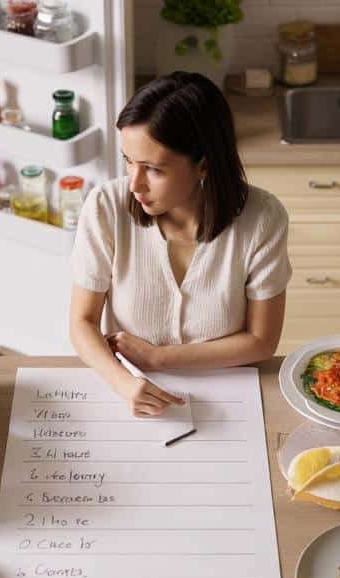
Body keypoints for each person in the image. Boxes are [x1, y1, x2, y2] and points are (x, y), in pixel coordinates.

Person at [69, 72, 291, 416]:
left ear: (203, 165)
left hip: (229, 398)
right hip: (129, 391)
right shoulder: (105, 207)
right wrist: (123, 383)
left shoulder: (263, 218)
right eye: (128, 161)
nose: (134, 184)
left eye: (153, 169)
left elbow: (262, 341)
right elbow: (82, 321)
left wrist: (158, 358)